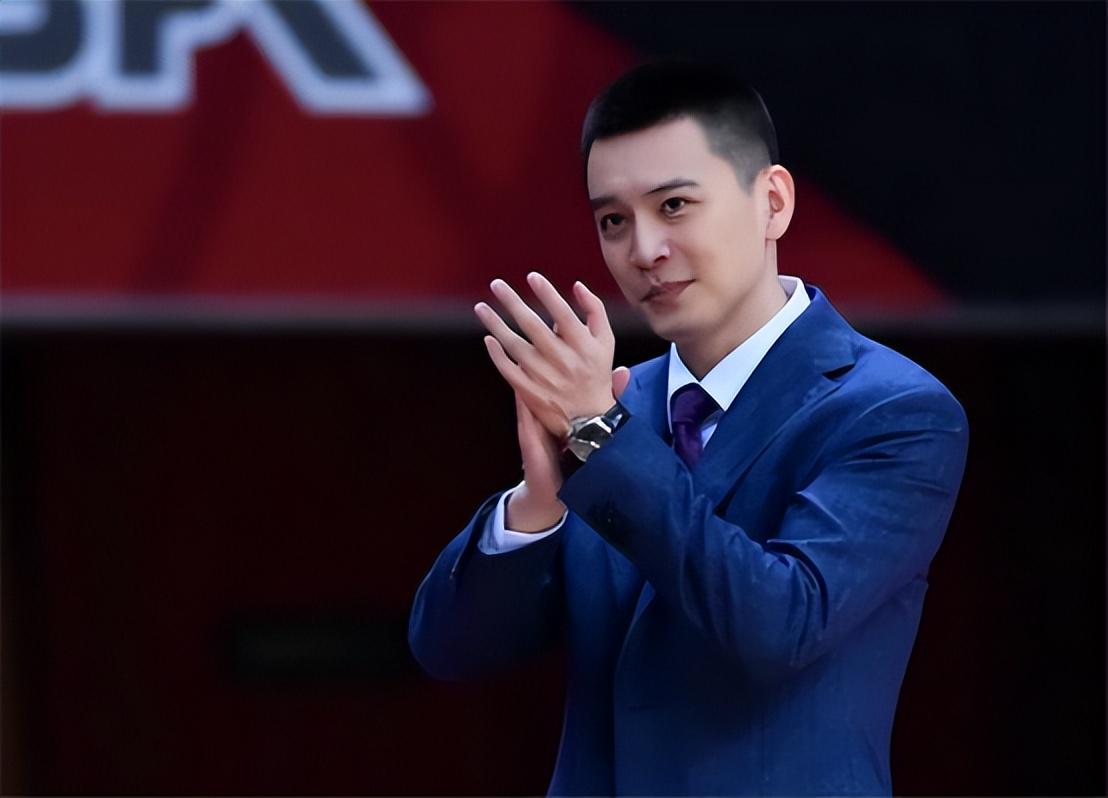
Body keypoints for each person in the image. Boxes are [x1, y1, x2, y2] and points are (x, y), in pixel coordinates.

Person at [407, 60, 968, 796]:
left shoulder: (891, 411)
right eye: (613, 220)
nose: (643, 250)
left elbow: (781, 625)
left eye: (674, 205)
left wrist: (602, 437)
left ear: (772, 202)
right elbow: (449, 650)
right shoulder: (615, 403)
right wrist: (535, 507)